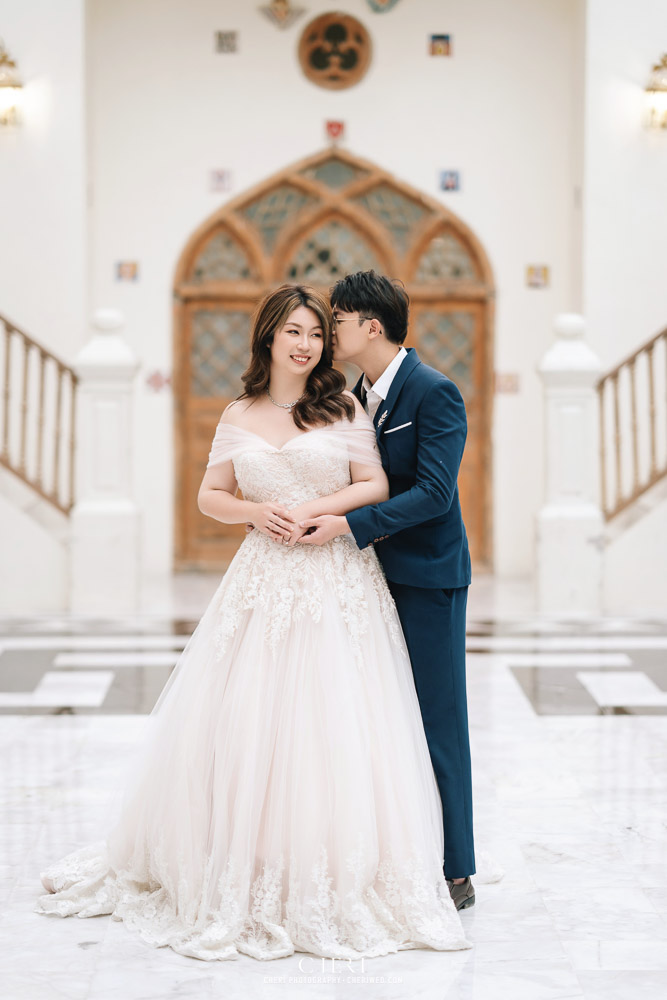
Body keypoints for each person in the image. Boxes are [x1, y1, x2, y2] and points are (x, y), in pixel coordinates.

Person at [35, 283, 475, 961]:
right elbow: (213, 494)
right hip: (261, 577)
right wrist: (253, 514)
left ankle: (379, 863)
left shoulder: (346, 403)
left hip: (334, 573)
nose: (306, 344)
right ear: (268, 336)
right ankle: (245, 851)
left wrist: (320, 512)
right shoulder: (237, 412)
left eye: (316, 333)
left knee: (338, 718)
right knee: (246, 718)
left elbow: (378, 484)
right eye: (294, 332)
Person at [295, 270, 476, 911]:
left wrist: (350, 524)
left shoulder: (434, 392)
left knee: (436, 718)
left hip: (426, 578)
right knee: (376, 715)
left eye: (336, 321)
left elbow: (435, 494)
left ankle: (456, 868)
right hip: (364, 580)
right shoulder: (353, 395)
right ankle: (393, 850)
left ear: (371, 326)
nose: (327, 332)